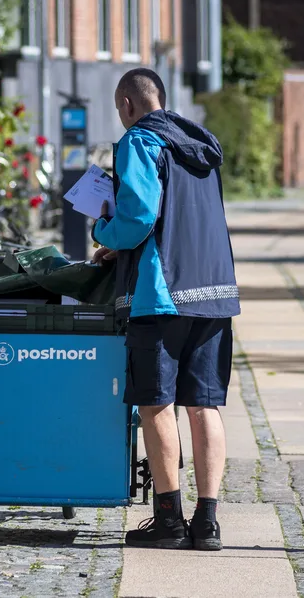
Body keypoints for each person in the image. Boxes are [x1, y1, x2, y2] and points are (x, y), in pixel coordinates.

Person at [92, 68, 239, 551]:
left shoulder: (139, 142)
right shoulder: (201, 146)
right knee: (206, 404)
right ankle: (209, 520)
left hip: (161, 295)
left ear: (129, 105)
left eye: (120, 110)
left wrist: (103, 234)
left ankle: (170, 520)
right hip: (214, 291)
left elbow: (137, 218)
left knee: (157, 403)